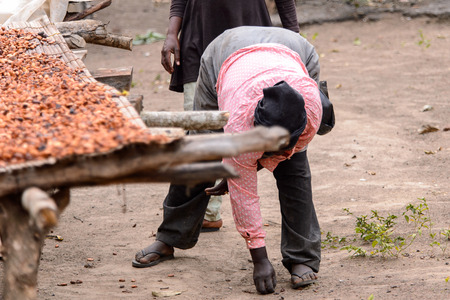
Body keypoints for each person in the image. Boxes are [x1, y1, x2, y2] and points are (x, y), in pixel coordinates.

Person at [133, 26, 324, 294]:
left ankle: (302, 258)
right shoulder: (239, 123)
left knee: (294, 170)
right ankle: (169, 237)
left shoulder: (311, 110)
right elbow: (244, 196)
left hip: (295, 50)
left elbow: (286, 152)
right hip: (225, 54)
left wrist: (242, 167)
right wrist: (260, 260)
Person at [161, 0, 300, 231]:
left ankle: (246, 218)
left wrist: (294, 38)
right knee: (199, 134)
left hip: (249, 40)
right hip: (199, 36)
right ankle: (204, 214)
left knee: (250, 129)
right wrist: (171, 33)